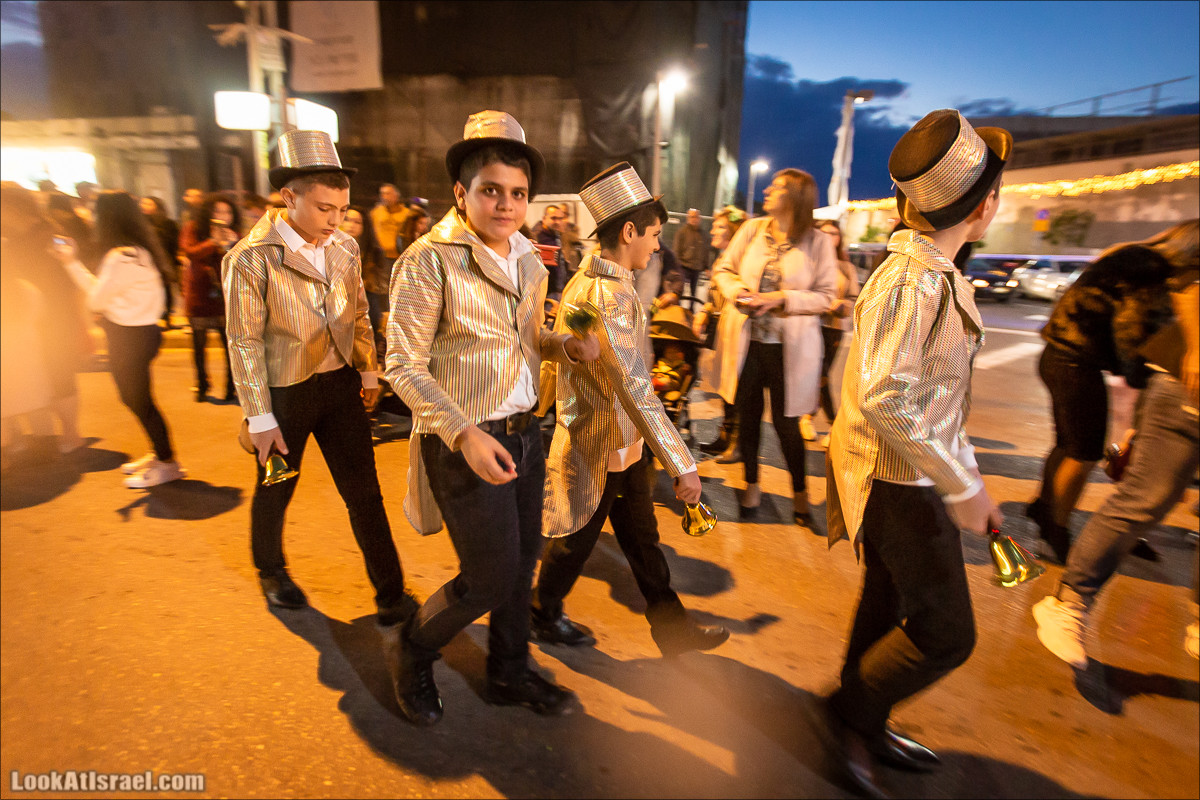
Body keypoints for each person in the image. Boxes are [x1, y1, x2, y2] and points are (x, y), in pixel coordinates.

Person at [817, 110, 1011, 796]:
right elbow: (885, 396)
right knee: (946, 633)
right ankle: (851, 714)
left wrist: (968, 472)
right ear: (983, 207)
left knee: (887, 600)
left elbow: (934, 396)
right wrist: (961, 486)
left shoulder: (932, 271)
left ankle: (861, 724)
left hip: (913, 472)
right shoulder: (915, 280)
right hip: (899, 481)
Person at [386, 110, 599, 726]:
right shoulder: (428, 261)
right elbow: (402, 365)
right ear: (462, 192)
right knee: (487, 578)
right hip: (465, 444)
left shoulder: (530, 259)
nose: (506, 205)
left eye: (518, 193)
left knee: (522, 563)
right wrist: (464, 434)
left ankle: (509, 671)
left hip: (525, 434)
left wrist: (564, 345)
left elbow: (527, 338)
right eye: (491, 190)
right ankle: (413, 649)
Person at [222, 130, 420, 703]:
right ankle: (270, 568)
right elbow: (243, 341)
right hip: (284, 396)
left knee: (365, 493)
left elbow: (357, 311)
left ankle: (391, 594)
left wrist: (368, 371)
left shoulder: (345, 248)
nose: (336, 220)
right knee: (277, 484)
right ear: (289, 197)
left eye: (342, 209)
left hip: (338, 387)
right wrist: (259, 417)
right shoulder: (251, 257)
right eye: (324, 208)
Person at [530, 162, 729, 656]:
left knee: (642, 540)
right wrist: (682, 462)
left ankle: (672, 629)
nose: (658, 246)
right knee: (575, 541)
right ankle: (540, 612)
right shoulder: (609, 294)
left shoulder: (590, 280)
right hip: (600, 445)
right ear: (629, 232)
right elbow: (636, 387)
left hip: (621, 441)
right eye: (655, 235)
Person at [1033, 223, 1199, 668]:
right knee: (1086, 452)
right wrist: (1146, 380)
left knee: (1074, 447)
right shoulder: (1151, 269)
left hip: (1066, 354)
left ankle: (1046, 514)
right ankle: (1055, 531)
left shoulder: (1140, 256)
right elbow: (1132, 332)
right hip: (1075, 358)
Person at [710, 169, 837, 526]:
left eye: (777, 187)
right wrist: (739, 292)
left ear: (796, 196)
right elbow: (723, 270)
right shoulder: (752, 230)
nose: (767, 191)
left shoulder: (817, 242)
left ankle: (800, 492)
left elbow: (826, 296)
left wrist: (782, 298)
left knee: (787, 425)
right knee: (747, 418)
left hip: (788, 351)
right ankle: (751, 484)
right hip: (747, 344)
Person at [55, 191, 185, 488]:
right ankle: (160, 454)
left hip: (128, 337)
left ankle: (168, 463)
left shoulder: (120, 257)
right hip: (142, 334)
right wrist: (72, 263)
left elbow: (96, 300)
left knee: (138, 400)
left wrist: (72, 264)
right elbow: (102, 292)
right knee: (138, 399)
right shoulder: (138, 252)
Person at [1, 183, 91, 454]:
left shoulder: (50, 233)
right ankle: (34, 435)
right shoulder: (10, 236)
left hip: (55, 317)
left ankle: (71, 434)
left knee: (59, 376)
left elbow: (70, 278)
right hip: (20, 318)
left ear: (13, 207)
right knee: (30, 378)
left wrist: (81, 322)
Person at [695, 205, 746, 461]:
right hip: (721, 326)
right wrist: (705, 311)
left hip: (736, 330)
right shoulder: (722, 258)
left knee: (735, 386)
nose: (713, 230)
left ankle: (736, 444)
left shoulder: (741, 261)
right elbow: (714, 294)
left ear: (734, 232)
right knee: (724, 385)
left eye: (720, 226)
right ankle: (725, 437)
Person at [801, 219, 859, 447]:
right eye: (824, 233)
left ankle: (809, 417)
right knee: (818, 375)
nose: (828, 237)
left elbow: (854, 298)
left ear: (839, 238)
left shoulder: (845, 267)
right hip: (809, 325)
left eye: (833, 233)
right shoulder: (808, 261)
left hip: (833, 327)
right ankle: (832, 423)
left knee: (821, 375)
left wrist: (842, 305)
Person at [179, 192, 241, 402]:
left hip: (225, 298)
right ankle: (202, 384)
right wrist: (213, 241)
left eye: (227, 212)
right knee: (198, 346)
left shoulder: (235, 234)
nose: (222, 216)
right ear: (207, 213)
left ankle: (231, 387)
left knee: (229, 346)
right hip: (199, 296)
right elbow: (190, 252)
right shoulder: (194, 228)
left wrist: (231, 245)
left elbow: (242, 262)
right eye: (217, 211)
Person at [339, 205, 388, 353]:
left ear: (364, 226)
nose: (351, 225)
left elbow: (377, 291)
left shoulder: (374, 252)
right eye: (347, 220)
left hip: (365, 304)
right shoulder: (332, 247)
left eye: (357, 222)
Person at [673, 207, 706, 304]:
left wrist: (706, 266)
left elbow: (705, 250)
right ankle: (677, 307)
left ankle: (691, 308)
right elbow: (677, 248)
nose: (694, 219)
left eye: (696, 217)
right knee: (680, 289)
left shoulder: (702, 234)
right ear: (688, 218)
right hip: (683, 265)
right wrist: (677, 264)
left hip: (696, 267)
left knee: (693, 292)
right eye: (692, 217)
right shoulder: (682, 232)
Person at [370, 183, 408, 266]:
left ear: (396, 196)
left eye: (387, 194)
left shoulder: (406, 214)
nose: (384, 196)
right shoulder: (375, 212)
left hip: (401, 256)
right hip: (380, 257)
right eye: (382, 194)